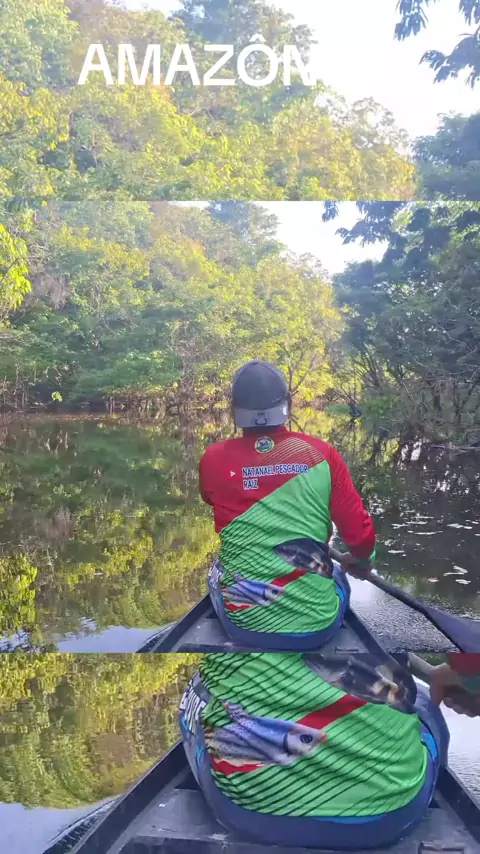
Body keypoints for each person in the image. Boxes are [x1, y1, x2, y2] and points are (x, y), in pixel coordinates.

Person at [179, 651, 450, 850]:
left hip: (245, 809)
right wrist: (462, 674)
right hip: (385, 816)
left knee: (202, 694)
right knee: (423, 706)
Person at [199, 360, 376, 650]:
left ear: (233, 410)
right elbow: (361, 537)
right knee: (337, 576)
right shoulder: (322, 454)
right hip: (316, 629)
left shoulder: (213, 459)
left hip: (244, 627)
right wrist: (363, 560)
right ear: (288, 405)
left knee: (217, 575)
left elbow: (209, 497)